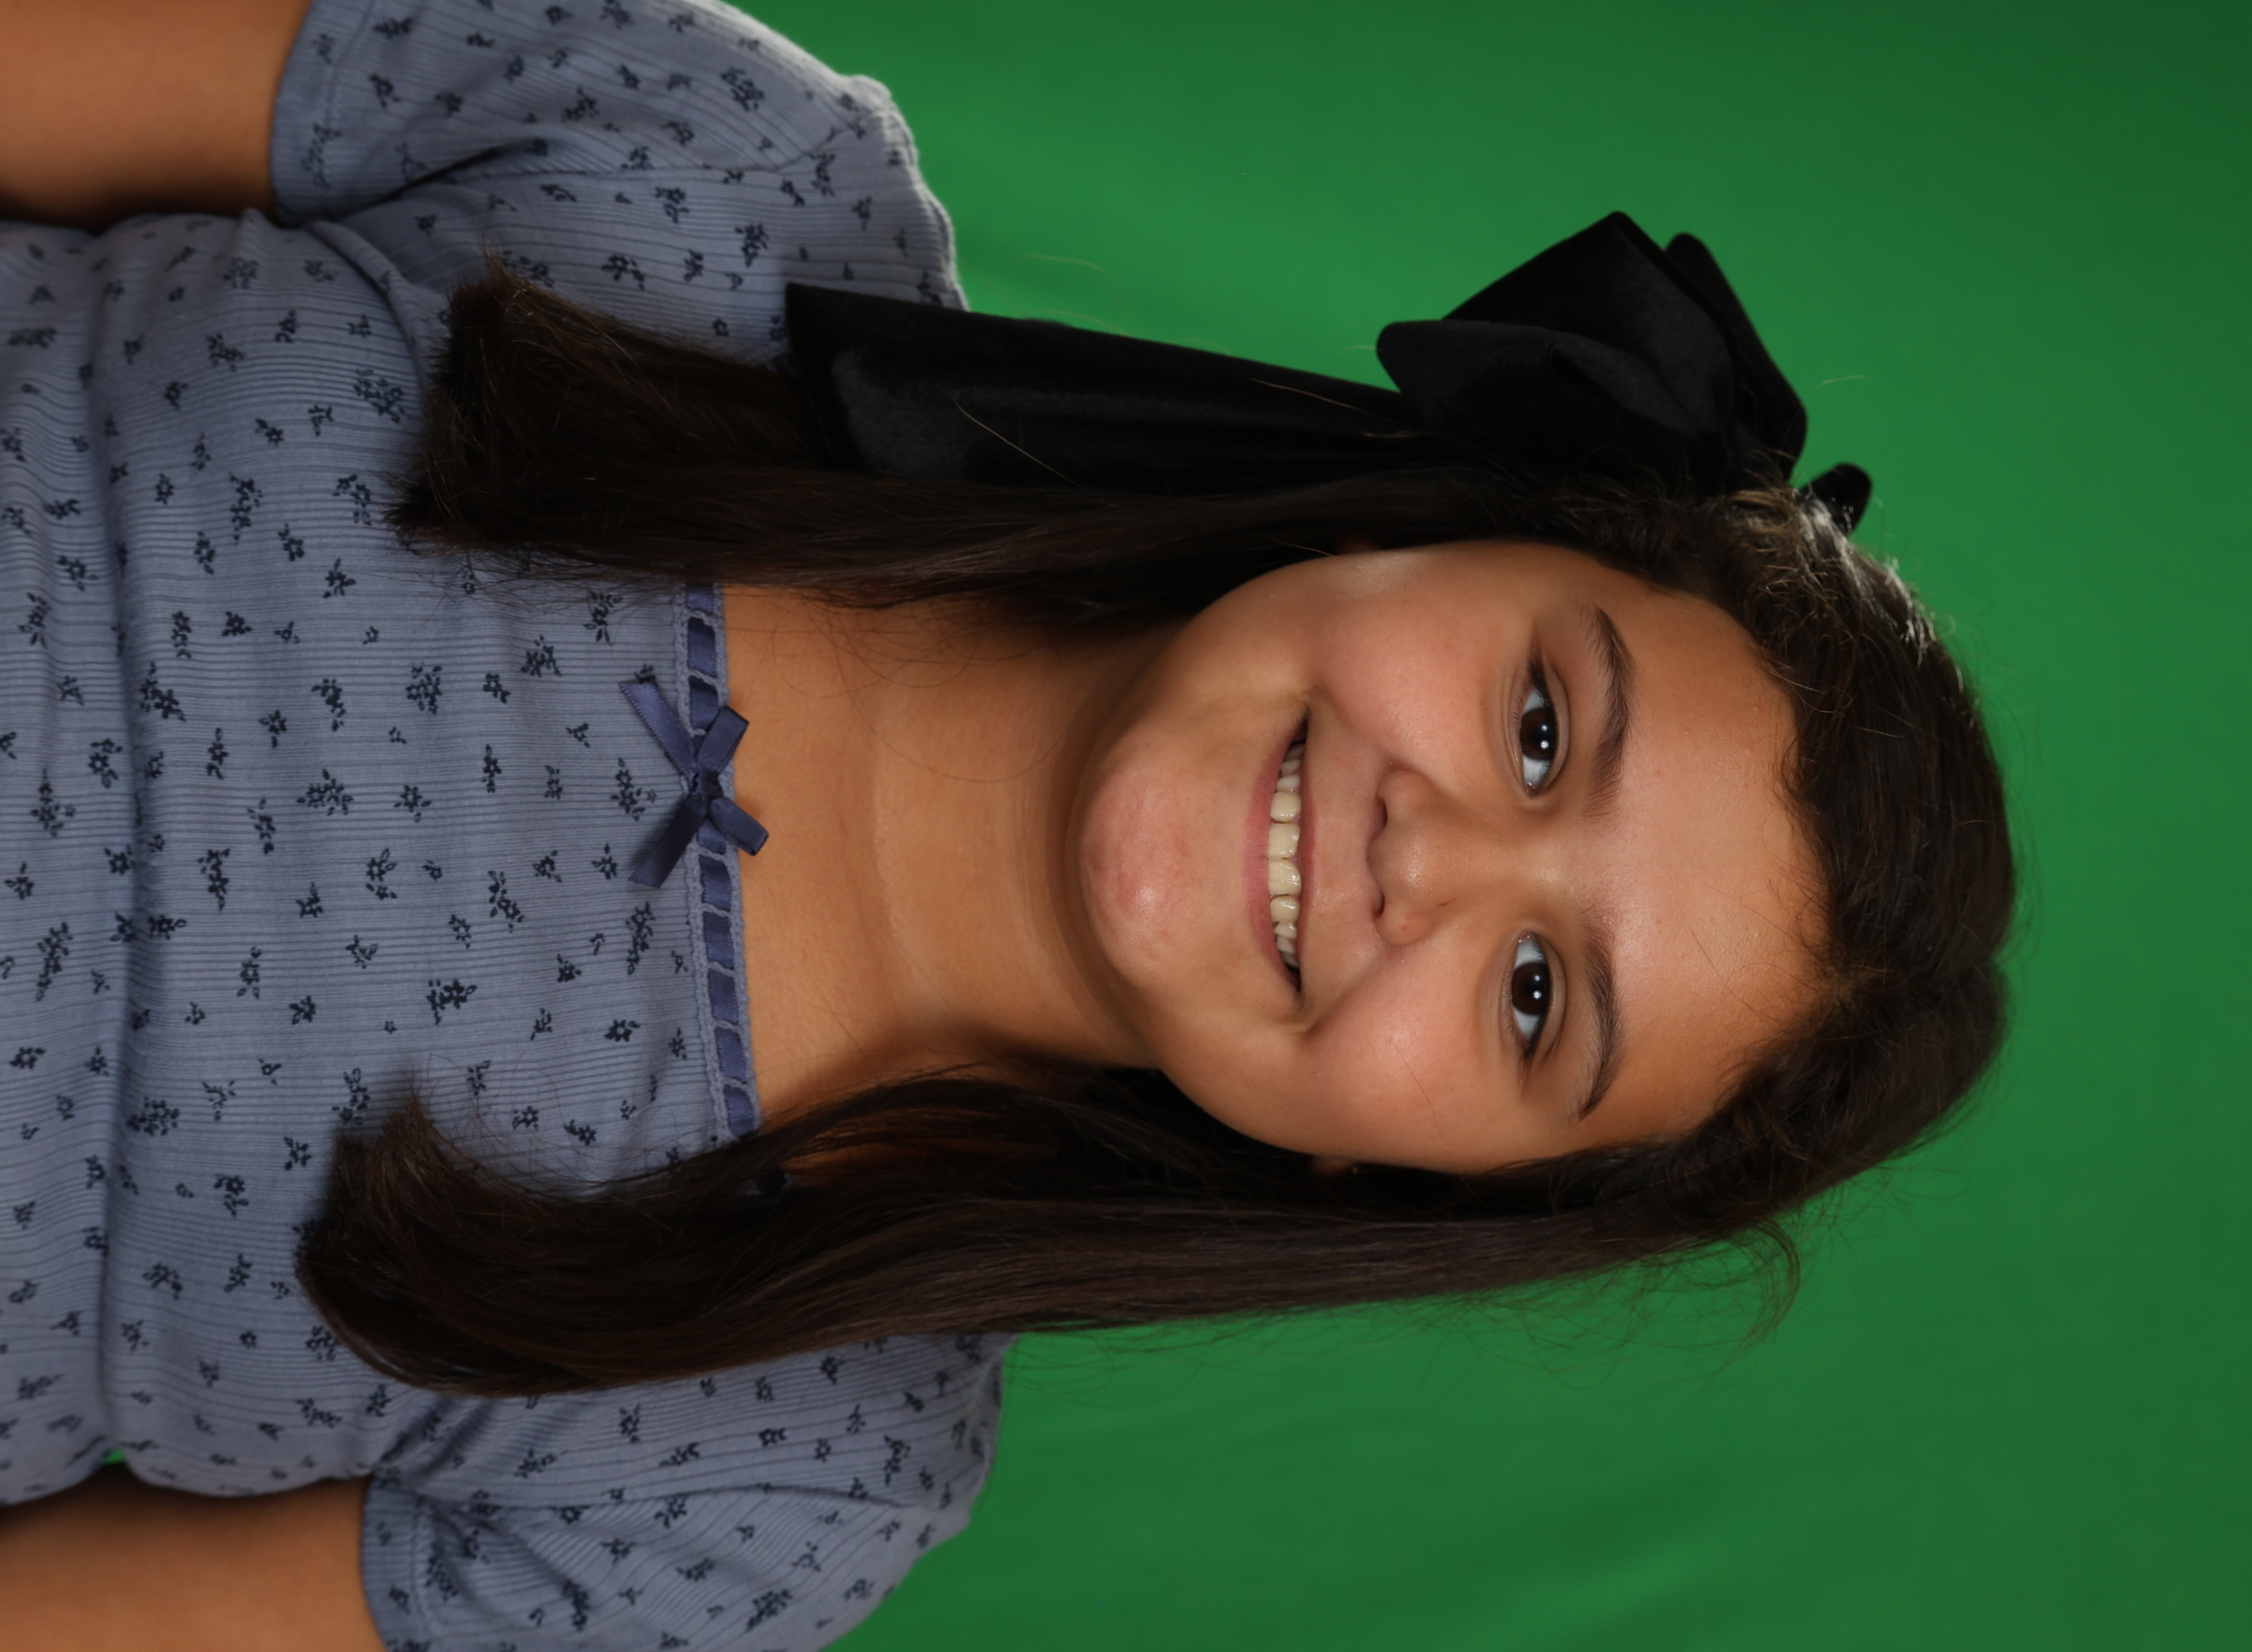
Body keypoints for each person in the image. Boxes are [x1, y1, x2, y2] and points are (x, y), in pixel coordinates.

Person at [0, 1, 2015, 1648]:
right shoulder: (736, 179)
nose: (1429, 860)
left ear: (1428, 1181)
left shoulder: (788, 1483)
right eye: (1546, 727)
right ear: (1464, 528)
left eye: (1533, 998)